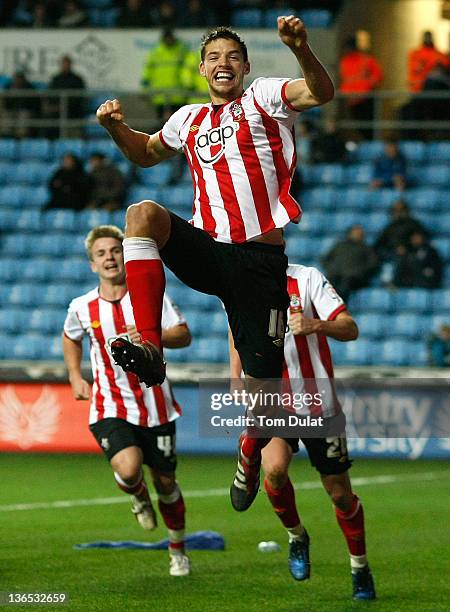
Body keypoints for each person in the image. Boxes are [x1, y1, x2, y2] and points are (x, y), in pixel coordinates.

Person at [96, 16, 334, 513]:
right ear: (203, 69)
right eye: (213, 58)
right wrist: (116, 128)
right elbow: (145, 153)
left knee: (263, 405)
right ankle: (150, 344)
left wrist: (302, 49)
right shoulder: (188, 120)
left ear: (245, 66)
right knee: (141, 214)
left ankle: (249, 453)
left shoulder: (266, 97)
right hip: (211, 250)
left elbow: (319, 92)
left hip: (260, 264)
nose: (222, 64)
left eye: (231, 57)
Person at [229, 263, 376, 600]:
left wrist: (315, 324)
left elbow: (349, 328)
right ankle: (297, 536)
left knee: (340, 495)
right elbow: (235, 329)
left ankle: (359, 566)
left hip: (318, 404)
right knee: (276, 471)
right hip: (273, 400)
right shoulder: (241, 278)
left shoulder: (307, 279)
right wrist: (235, 373)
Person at [62, 225, 192, 577]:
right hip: (110, 405)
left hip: (156, 404)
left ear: (124, 256)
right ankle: (137, 495)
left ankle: (178, 550)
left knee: (166, 483)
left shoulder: (150, 297)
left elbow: (184, 334)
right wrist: (75, 375)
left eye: (115, 251)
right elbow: (70, 337)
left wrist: (155, 334)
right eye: (101, 253)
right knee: (130, 468)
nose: (109, 257)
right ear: (92, 264)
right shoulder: (82, 306)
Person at [339, 35, 383, 139]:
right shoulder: (344, 62)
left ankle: (369, 143)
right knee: (357, 125)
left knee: (368, 126)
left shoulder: (366, 60)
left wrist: (368, 87)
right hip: (351, 100)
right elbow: (345, 80)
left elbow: (378, 75)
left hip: (365, 98)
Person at [321, 225, 378, 301]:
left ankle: (339, 307)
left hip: (354, 279)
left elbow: (372, 264)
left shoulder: (366, 248)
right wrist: (331, 269)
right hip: (336, 276)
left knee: (345, 285)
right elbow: (325, 259)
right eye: (356, 233)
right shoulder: (340, 246)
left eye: (360, 233)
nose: (358, 235)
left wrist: (360, 272)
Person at [141, 29, 188, 121]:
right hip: (160, 93)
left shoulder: (181, 51)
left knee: (179, 122)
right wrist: (145, 82)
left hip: (177, 93)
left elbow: (187, 69)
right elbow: (148, 68)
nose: (169, 40)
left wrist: (187, 84)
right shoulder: (156, 52)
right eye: (167, 38)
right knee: (161, 122)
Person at [2, 70, 40, 138]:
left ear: (23, 79)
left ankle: (21, 137)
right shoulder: (8, 87)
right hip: (11, 110)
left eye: (19, 78)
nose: (17, 80)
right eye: (16, 78)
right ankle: (6, 137)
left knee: (23, 115)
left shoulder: (29, 88)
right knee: (6, 115)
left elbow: (34, 103)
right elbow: (4, 101)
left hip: (25, 111)